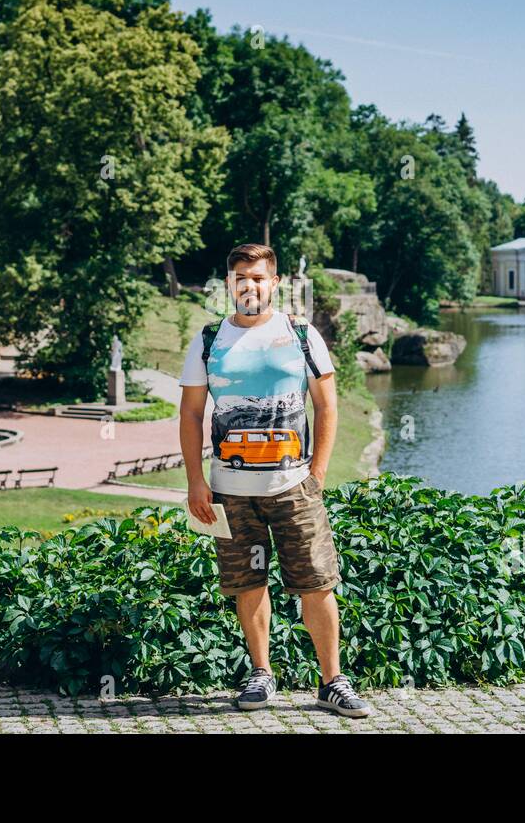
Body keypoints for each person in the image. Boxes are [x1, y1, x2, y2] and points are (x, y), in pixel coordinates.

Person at [178, 242, 371, 718]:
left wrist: (318, 473)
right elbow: (190, 414)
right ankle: (261, 673)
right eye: (241, 277)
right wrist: (195, 483)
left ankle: (332, 681)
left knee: (318, 583)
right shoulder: (207, 340)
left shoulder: (301, 335)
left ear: (274, 283)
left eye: (259, 278)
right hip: (230, 490)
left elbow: (327, 405)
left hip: (293, 487)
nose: (250, 285)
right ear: (230, 284)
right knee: (249, 583)